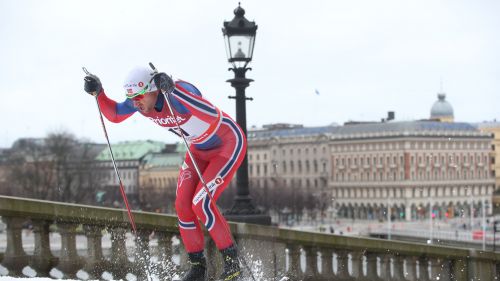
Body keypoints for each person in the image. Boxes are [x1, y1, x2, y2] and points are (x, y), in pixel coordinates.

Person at [84, 66, 246, 281]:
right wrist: (99, 93)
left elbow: (210, 114)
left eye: (139, 96)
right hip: (197, 149)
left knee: (201, 203)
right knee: (182, 206)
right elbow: (114, 114)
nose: (135, 102)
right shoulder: (140, 105)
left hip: (227, 144)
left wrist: (173, 91)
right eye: (130, 97)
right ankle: (198, 266)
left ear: (154, 89)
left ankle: (232, 263)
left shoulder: (178, 91)